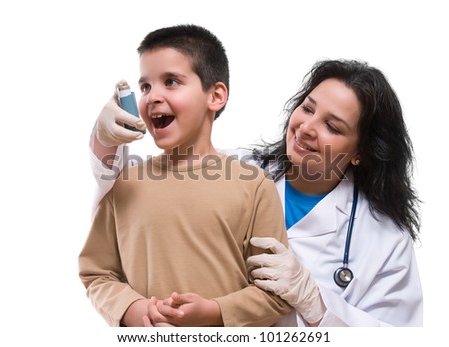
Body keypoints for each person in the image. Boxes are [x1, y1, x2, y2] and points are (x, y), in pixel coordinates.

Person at [89, 58, 423, 326]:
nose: (306, 128)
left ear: (360, 151)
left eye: (332, 127)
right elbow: (128, 197)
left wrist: (318, 304)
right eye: (307, 108)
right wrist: (104, 140)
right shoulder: (235, 168)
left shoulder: (385, 240)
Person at [79, 24, 292, 327]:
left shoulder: (254, 185)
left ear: (215, 96)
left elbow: (276, 293)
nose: (152, 96)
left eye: (171, 81)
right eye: (145, 86)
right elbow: (96, 272)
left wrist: (215, 311)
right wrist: (135, 311)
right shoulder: (124, 183)